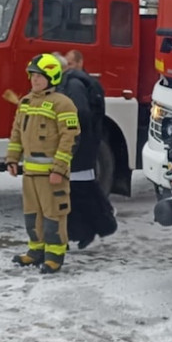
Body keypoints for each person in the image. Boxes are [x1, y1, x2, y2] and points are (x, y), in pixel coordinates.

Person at [6, 53, 81, 274]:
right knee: (32, 215)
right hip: (30, 173)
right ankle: (35, 252)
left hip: (52, 175)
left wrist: (59, 169)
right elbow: (17, 133)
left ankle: (54, 256)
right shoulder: (26, 102)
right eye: (32, 76)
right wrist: (12, 158)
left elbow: (70, 138)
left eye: (40, 77)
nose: (35, 81)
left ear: (52, 77)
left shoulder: (63, 104)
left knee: (53, 216)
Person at [58, 50, 118, 249]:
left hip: (79, 146)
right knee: (79, 190)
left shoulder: (73, 85)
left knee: (79, 190)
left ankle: (96, 226)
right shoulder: (77, 82)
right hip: (84, 144)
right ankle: (89, 228)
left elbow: (81, 114)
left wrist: (66, 130)